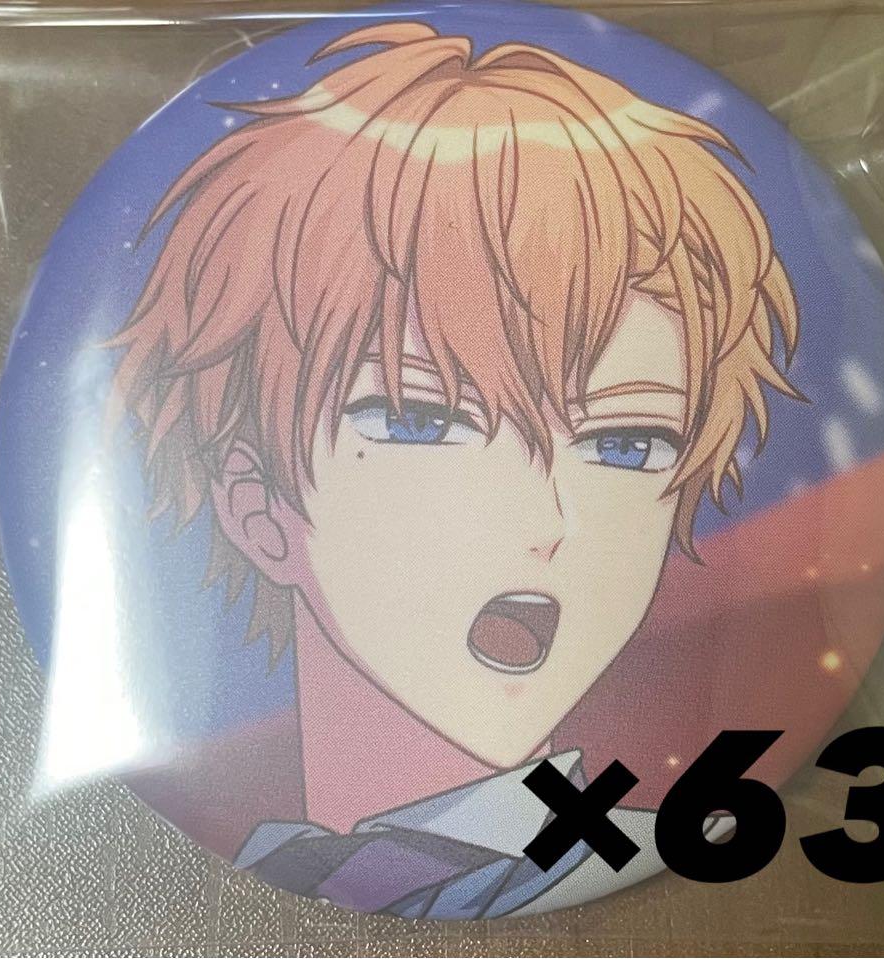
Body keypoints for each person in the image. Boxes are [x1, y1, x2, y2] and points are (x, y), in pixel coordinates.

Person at [108, 20, 801, 917]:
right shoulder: (221, 856)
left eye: (625, 444)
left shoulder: (660, 853)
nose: (545, 522)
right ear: (255, 504)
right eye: (420, 418)